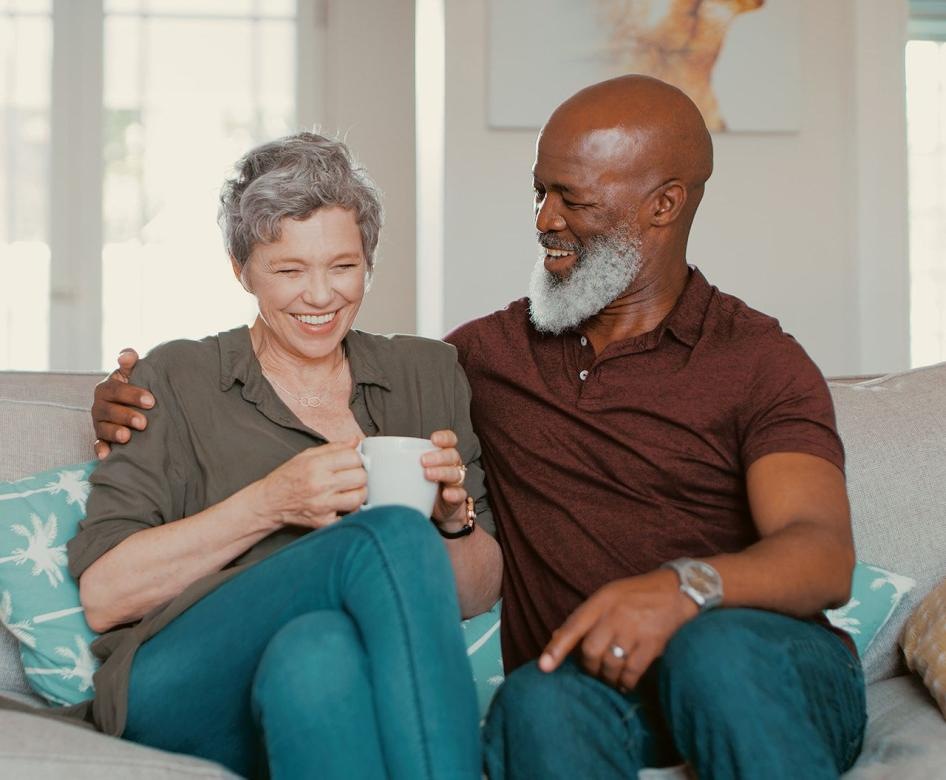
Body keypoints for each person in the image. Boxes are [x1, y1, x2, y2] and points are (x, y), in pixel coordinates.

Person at [94, 77, 866, 779]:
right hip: (587, 680)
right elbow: (111, 579)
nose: (544, 221)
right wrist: (119, 401)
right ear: (244, 269)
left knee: (714, 650)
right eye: (539, 194)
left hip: (749, 659)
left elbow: (823, 552)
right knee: (534, 698)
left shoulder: (756, 358)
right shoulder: (484, 358)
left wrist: (683, 589)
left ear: (662, 205)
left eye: (572, 199)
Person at [70, 131, 502, 780]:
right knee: (384, 533)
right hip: (180, 684)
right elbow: (105, 597)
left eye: (344, 266)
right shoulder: (176, 378)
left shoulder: (427, 373)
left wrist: (452, 521)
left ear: (369, 261)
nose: (322, 296)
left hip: (315, 678)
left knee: (317, 654)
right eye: (290, 270)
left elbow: (476, 592)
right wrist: (272, 501)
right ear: (241, 268)